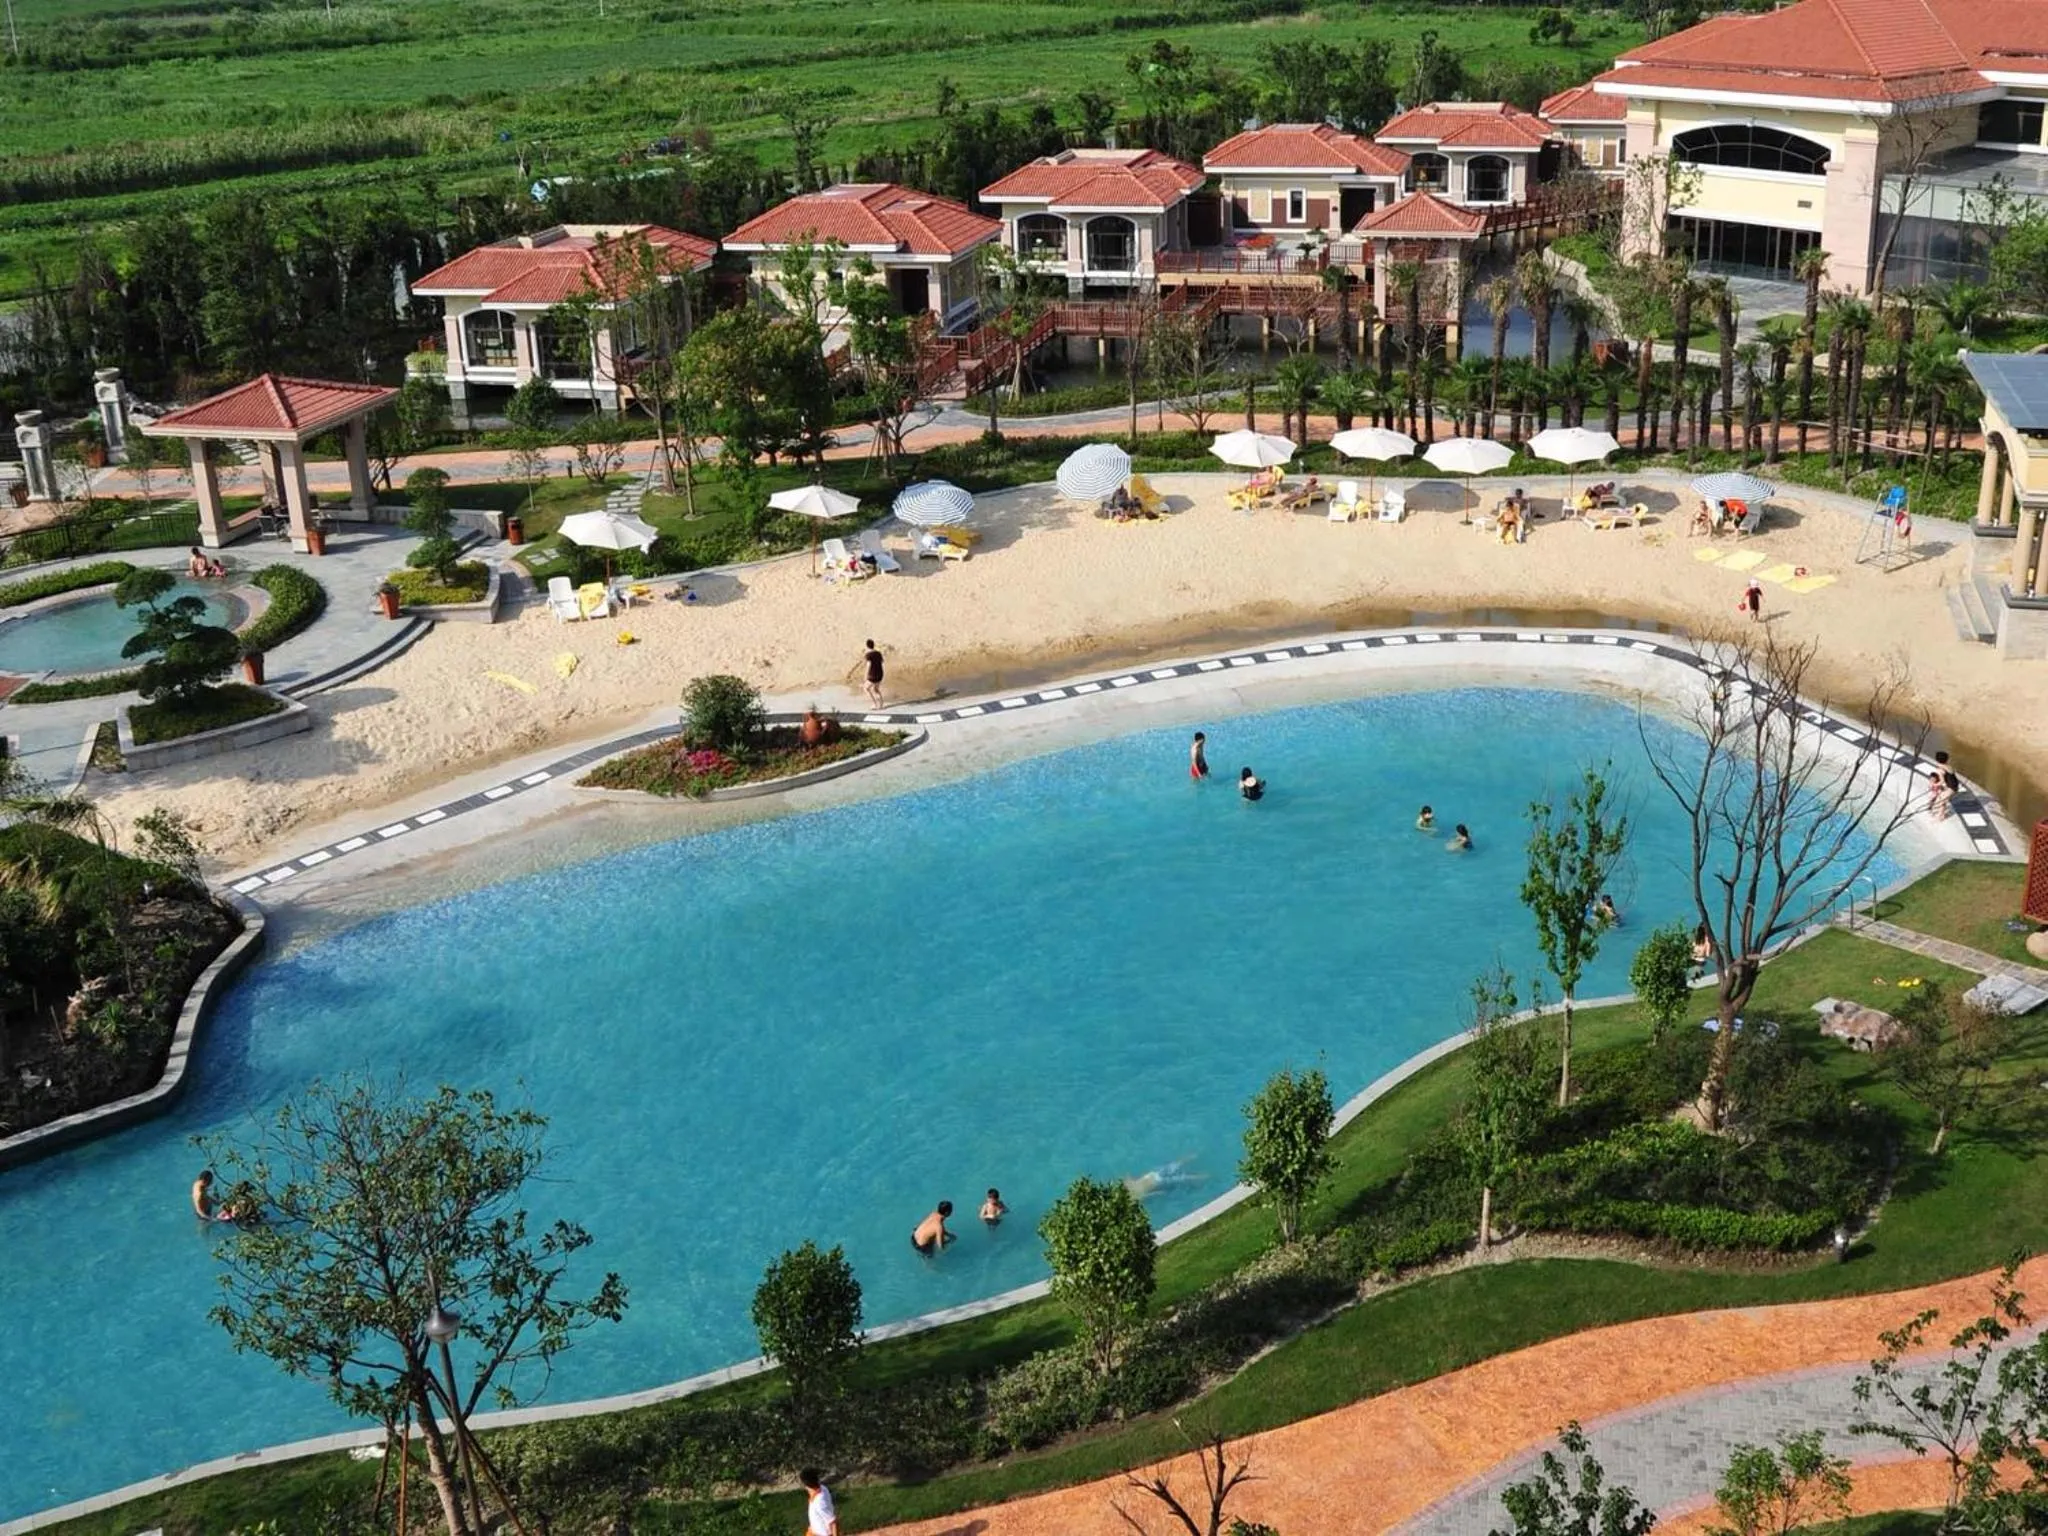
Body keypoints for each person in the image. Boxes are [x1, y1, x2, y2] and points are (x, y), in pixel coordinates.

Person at [801, 1468, 839, 1536]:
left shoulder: (819, 1502)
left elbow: (833, 1522)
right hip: (813, 1531)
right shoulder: (822, 1488)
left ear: (806, 1485)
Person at [852, 639, 885, 709]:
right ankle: (881, 705)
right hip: (880, 674)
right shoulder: (878, 653)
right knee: (876, 689)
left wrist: (865, 676)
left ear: (867, 646)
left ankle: (875, 704)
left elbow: (868, 665)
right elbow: (882, 661)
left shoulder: (868, 655)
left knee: (866, 688)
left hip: (873, 675)